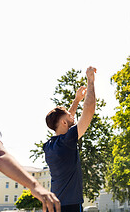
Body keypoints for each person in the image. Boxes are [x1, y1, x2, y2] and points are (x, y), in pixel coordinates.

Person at [43, 66, 96, 212]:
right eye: (68, 116)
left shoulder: (49, 145)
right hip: (69, 206)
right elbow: (89, 109)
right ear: (64, 123)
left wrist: (77, 100)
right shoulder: (67, 142)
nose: (73, 117)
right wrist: (90, 81)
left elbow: (65, 122)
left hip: (54, 204)